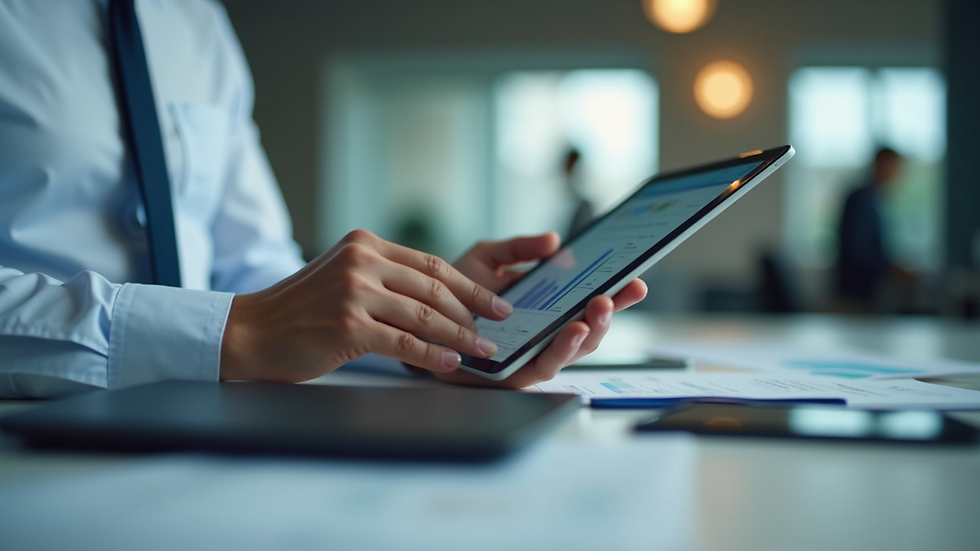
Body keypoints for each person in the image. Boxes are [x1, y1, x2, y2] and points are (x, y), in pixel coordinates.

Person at [0, 0, 646, 398]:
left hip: (217, 431)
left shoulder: (198, 23)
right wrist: (230, 334)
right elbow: (251, 319)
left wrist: (422, 329)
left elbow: (258, 274)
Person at [834, 147, 912, 310]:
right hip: (855, 294)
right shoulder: (861, 200)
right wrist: (890, 269)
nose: (897, 173)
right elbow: (857, 250)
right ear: (881, 164)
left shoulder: (874, 200)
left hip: (868, 291)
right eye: (895, 167)